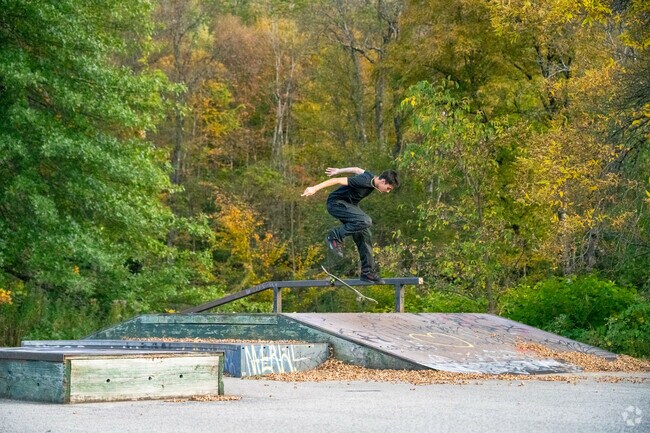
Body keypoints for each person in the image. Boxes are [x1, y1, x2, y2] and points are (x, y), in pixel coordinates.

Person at [301, 167, 399, 283]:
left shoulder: (370, 176)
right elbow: (336, 181)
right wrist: (314, 188)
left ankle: (367, 272)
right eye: (388, 188)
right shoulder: (363, 181)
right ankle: (334, 236)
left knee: (365, 234)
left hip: (348, 207)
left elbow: (357, 169)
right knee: (366, 220)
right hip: (336, 204)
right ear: (383, 181)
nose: (387, 191)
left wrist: (339, 170)